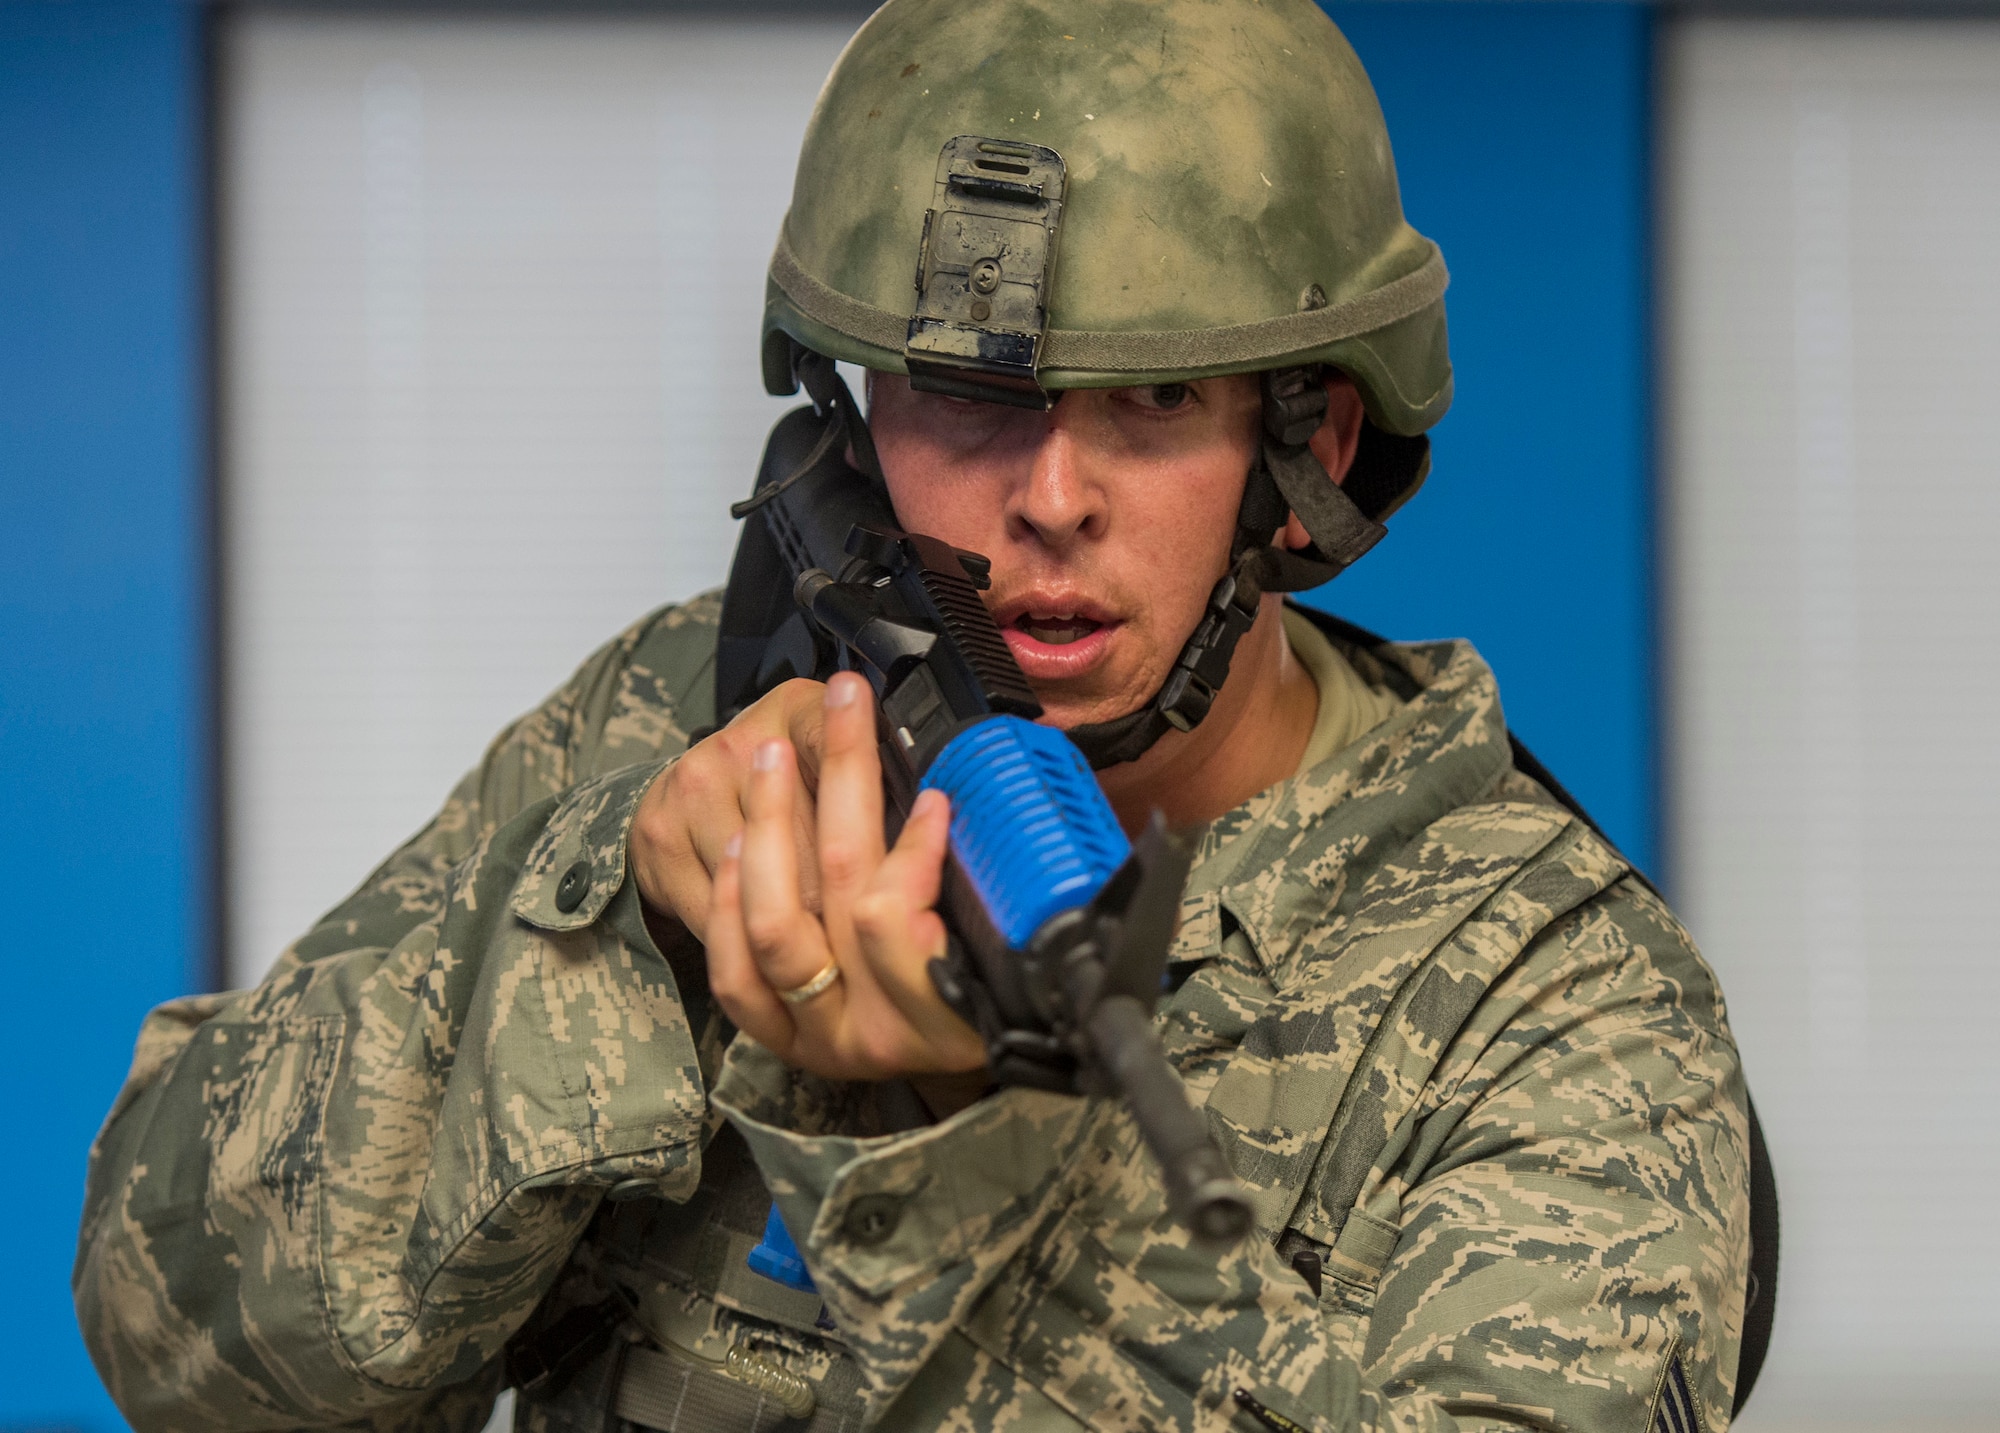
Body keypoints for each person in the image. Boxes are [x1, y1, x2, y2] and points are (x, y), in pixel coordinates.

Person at [75, 3, 1753, 1431]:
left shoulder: (1557, 1005)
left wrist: (988, 1160)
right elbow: (164, 1326)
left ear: (1302, 442)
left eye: (1158, 397)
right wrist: (618, 946)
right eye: (974, 391)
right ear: (856, 414)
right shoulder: (684, 725)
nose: (1055, 497)